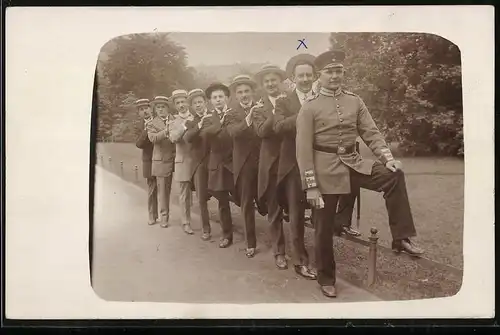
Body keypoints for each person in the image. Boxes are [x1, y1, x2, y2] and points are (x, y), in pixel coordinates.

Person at [296, 49, 425, 298]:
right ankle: (326, 277)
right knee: (323, 227)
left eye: (338, 71)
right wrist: (311, 186)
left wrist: (388, 159)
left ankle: (401, 237)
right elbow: (303, 151)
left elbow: (371, 133)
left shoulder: (355, 100)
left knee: (393, 176)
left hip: (353, 164)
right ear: (319, 76)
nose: (335, 76)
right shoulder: (309, 108)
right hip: (324, 172)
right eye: (329, 72)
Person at [272, 54, 318, 280]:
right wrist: (304, 112)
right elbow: (278, 127)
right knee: (297, 214)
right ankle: (300, 261)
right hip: (292, 166)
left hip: (320, 163)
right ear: (293, 78)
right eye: (301, 75)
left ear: (314, 76)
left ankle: (322, 258)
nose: (305, 79)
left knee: (321, 212)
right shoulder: (283, 102)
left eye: (309, 75)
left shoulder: (323, 97)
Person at [225, 74, 266, 258]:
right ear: (235, 95)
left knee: (269, 201)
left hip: (264, 162)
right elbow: (234, 133)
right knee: (247, 203)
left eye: (247, 91)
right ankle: (251, 243)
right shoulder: (231, 113)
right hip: (244, 166)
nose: (244, 95)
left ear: (252, 92)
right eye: (240, 92)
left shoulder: (262, 108)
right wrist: (248, 119)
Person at [252, 65, 289, 268]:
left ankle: (301, 251)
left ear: (280, 81)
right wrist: (275, 113)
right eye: (266, 81)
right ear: (263, 85)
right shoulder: (258, 108)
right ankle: (279, 251)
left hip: (291, 161)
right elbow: (261, 132)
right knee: (274, 208)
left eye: (273, 80)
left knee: (295, 205)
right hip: (272, 164)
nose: (270, 84)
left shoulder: (290, 101)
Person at [199, 83, 235, 248]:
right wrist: (220, 124)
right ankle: (227, 235)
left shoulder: (234, 114)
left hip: (235, 162)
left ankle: (250, 234)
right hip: (217, 164)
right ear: (210, 101)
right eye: (215, 98)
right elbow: (206, 135)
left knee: (244, 198)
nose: (218, 100)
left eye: (221, 96)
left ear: (227, 98)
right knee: (222, 201)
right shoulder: (207, 119)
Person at [184, 88, 213, 241]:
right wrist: (200, 124)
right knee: (202, 199)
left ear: (205, 102)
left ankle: (228, 229)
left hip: (215, 162)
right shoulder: (191, 122)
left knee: (222, 195)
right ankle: (206, 228)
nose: (198, 105)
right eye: (195, 103)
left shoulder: (214, 116)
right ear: (191, 106)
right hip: (199, 164)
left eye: (200, 102)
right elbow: (188, 138)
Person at [147, 95, 176, 228]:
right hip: (161, 161)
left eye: (163, 107)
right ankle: (164, 217)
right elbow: (153, 138)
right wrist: (166, 131)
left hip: (177, 159)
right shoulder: (151, 123)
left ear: (167, 108)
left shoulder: (175, 120)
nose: (160, 109)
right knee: (163, 191)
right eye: (158, 107)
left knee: (178, 190)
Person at [168, 89, 195, 235]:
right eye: (178, 103)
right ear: (175, 106)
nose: (181, 105)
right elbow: (173, 138)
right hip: (183, 161)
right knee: (184, 193)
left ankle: (206, 222)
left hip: (198, 160)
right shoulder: (173, 122)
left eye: (183, 101)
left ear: (188, 102)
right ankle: (186, 222)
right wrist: (185, 126)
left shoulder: (196, 116)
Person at [134, 98, 158, 226]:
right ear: (139, 113)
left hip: (161, 159)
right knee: (152, 188)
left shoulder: (159, 120)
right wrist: (146, 130)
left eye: (146, 108)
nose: (145, 112)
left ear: (151, 109)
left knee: (164, 187)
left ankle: (163, 214)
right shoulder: (138, 126)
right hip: (148, 160)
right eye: (141, 110)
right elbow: (139, 144)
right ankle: (152, 215)